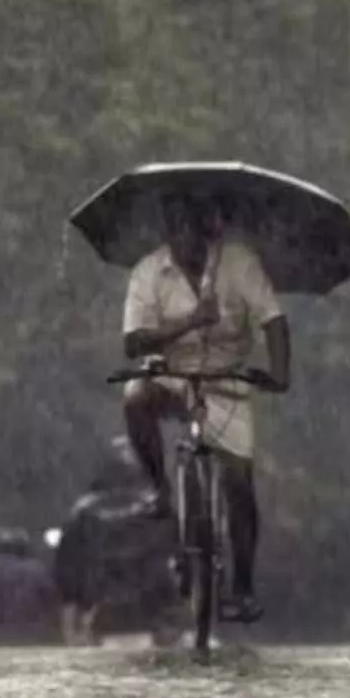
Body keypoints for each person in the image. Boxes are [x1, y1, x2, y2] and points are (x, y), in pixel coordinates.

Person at [122, 192, 291, 624]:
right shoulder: (148, 271)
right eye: (176, 230)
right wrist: (192, 320)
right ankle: (160, 488)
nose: (186, 240)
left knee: (239, 482)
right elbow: (134, 343)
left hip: (225, 379)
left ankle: (242, 588)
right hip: (171, 374)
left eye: (194, 229)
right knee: (136, 397)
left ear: (210, 229)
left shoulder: (239, 264)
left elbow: (273, 320)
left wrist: (279, 374)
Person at [52, 436, 185, 647]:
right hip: (150, 610)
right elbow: (175, 558)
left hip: (99, 609)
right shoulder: (155, 507)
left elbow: (67, 570)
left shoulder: (84, 511)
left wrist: (70, 624)